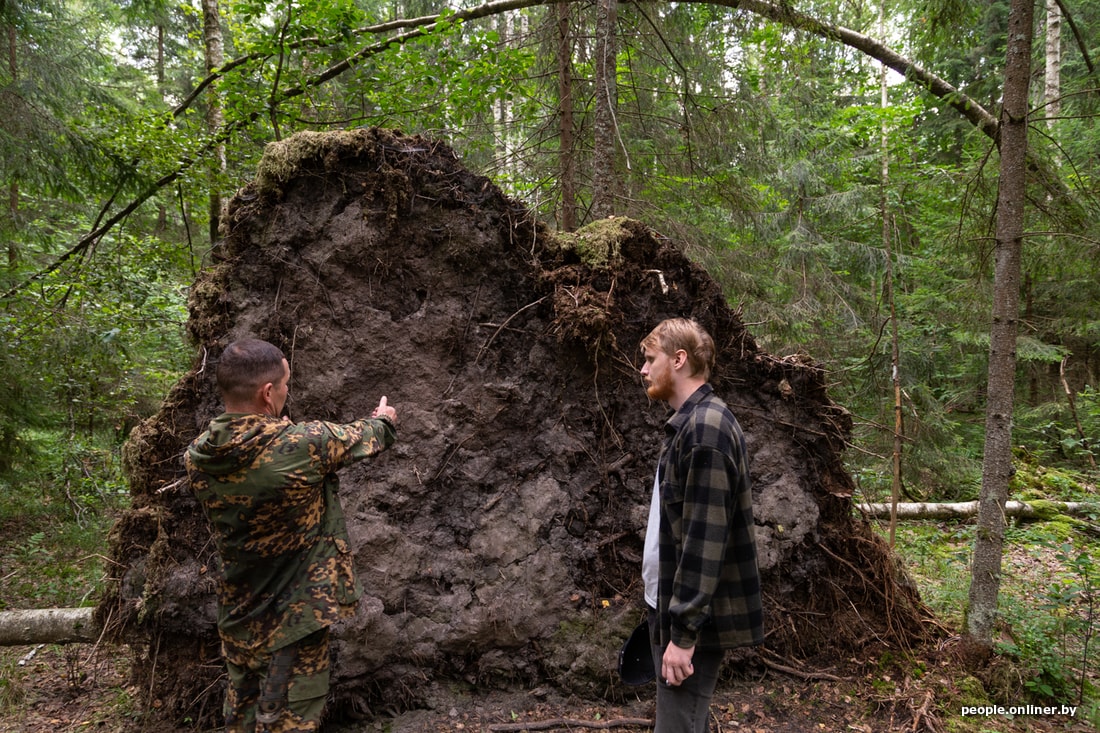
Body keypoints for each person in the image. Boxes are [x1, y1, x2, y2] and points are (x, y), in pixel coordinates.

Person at [185, 338, 397, 733]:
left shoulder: (198, 455)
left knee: (243, 721)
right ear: (268, 393)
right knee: (288, 723)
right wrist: (384, 417)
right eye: (285, 384)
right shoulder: (303, 444)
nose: (287, 391)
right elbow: (371, 435)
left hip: (239, 617)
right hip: (294, 620)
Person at [639, 318, 763, 732]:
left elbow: (704, 542)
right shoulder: (690, 425)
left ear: (678, 360)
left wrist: (684, 635)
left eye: (650, 359)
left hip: (690, 621)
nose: (643, 369)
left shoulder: (706, 430)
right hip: (673, 610)